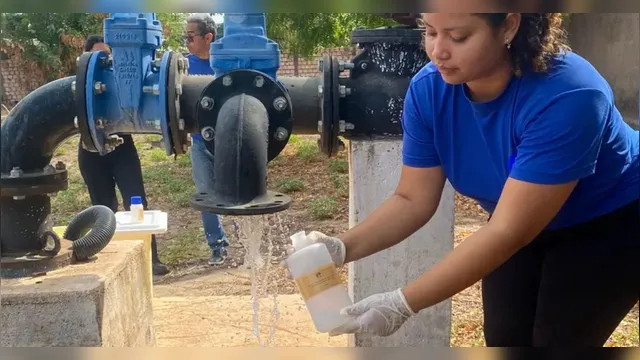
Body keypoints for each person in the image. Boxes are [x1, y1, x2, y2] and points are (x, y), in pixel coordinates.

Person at [282, 13, 639, 346]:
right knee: (504, 337)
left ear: (509, 26)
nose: (438, 51)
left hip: (612, 217)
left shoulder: (569, 94)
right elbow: (412, 199)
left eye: (458, 36)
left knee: (558, 340)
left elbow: (507, 232)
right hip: (512, 216)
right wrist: (341, 248)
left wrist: (402, 303)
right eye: (430, 32)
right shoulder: (430, 90)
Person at [78, 35, 170, 276]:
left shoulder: (122, 83)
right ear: (87, 58)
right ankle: (109, 262)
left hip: (122, 149)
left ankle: (151, 260)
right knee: (103, 208)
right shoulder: (78, 86)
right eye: (100, 56)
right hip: (91, 152)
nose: (106, 61)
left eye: (109, 56)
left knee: (136, 203)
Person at [183, 14, 230, 266]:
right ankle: (218, 245)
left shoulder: (226, 64)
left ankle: (248, 239)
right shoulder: (183, 67)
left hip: (229, 142)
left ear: (208, 37)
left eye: (190, 36)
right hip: (200, 143)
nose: (186, 41)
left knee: (236, 190)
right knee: (206, 194)